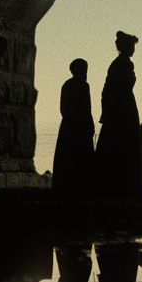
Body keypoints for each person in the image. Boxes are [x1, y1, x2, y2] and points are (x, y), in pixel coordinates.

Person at [94, 31, 142, 196]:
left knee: (113, 145)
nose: (133, 50)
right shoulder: (125, 64)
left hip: (118, 109)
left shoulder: (117, 63)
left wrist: (106, 111)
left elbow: (106, 90)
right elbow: (115, 89)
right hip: (124, 109)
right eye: (132, 47)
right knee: (125, 144)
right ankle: (125, 183)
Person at [52, 59, 94, 194]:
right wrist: (89, 124)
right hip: (81, 126)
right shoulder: (84, 86)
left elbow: (63, 109)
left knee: (67, 157)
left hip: (68, 126)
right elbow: (87, 108)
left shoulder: (67, 85)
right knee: (82, 157)